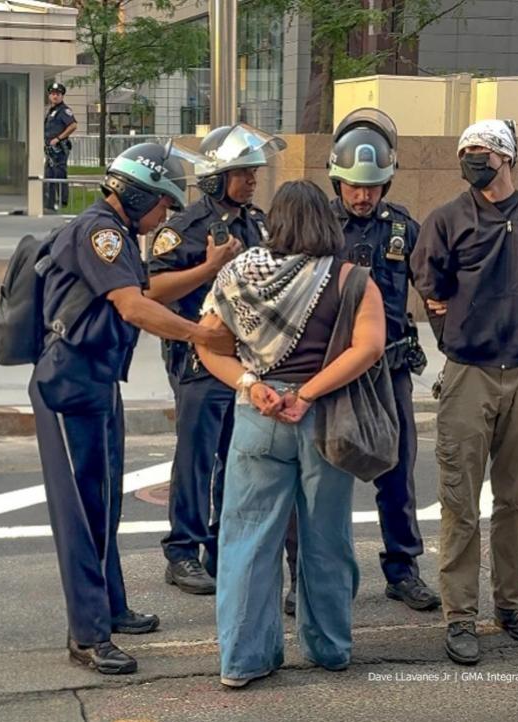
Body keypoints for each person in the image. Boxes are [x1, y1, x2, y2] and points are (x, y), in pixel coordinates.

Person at [29, 142, 233, 675]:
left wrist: (209, 268)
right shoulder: (99, 232)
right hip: (70, 383)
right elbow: (133, 305)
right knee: (82, 514)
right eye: (161, 203)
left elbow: (148, 289)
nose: (166, 213)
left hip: (97, 379)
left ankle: (112, 607)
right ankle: (88, 635)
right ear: (136, 195)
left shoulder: (116, 234)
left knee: (104, 505)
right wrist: (199, 336)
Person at [196, 179, 386, 688]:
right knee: (325, 537)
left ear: (274, 222)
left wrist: (251, 383)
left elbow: (208, 345)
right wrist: (307, 394)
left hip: (258, 415)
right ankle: (329, 648)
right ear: (325, 221)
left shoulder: (240, 273)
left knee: (247, 540)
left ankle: (242, 659)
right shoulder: (352, 278)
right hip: (322, 418)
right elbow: (368, 348)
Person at [410, 119, 518, 665]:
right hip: (469, 374)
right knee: (460, 501)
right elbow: (429, 285)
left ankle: (512, 604)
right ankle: (460, 615)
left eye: (480, 150)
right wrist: (457, 329)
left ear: (506, 156)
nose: (471, 158)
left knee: (515, 498)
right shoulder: (447, 219)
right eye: (465, 151)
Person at [282, 109, 440, 617]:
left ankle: (403, 569)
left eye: (372, 186)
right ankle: (303, 574)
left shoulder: (403, 229)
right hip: (328, 371)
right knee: (315, 476)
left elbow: (434, 293)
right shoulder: (317, 228)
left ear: (387, 182)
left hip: (388, 368)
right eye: (353, 185)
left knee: (397, 472)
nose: (363, 195)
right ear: (336, 180)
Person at [147, 124, 286, 595]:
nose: (251, 181)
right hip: (197, 357)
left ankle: (222, 547)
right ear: (214, 176)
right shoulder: (183, 228)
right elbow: (152, 291)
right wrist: (207, 267)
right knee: (196, 457)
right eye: (242, 173)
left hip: (245, 359)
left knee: (238, 456)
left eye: (253, 173)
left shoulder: (257, 222)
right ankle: (182, 550)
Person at [44, 81, 77, 211]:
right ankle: (50, 203)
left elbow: (73, 125)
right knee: (50, 175)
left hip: (59, 149)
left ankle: (62, 201)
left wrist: (58, 138)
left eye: (57, 94)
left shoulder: (64, 110)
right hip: (50, 150)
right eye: (52, 94)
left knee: (60, 175)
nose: (55, 96)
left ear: (62, 96)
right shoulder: (51, 111)